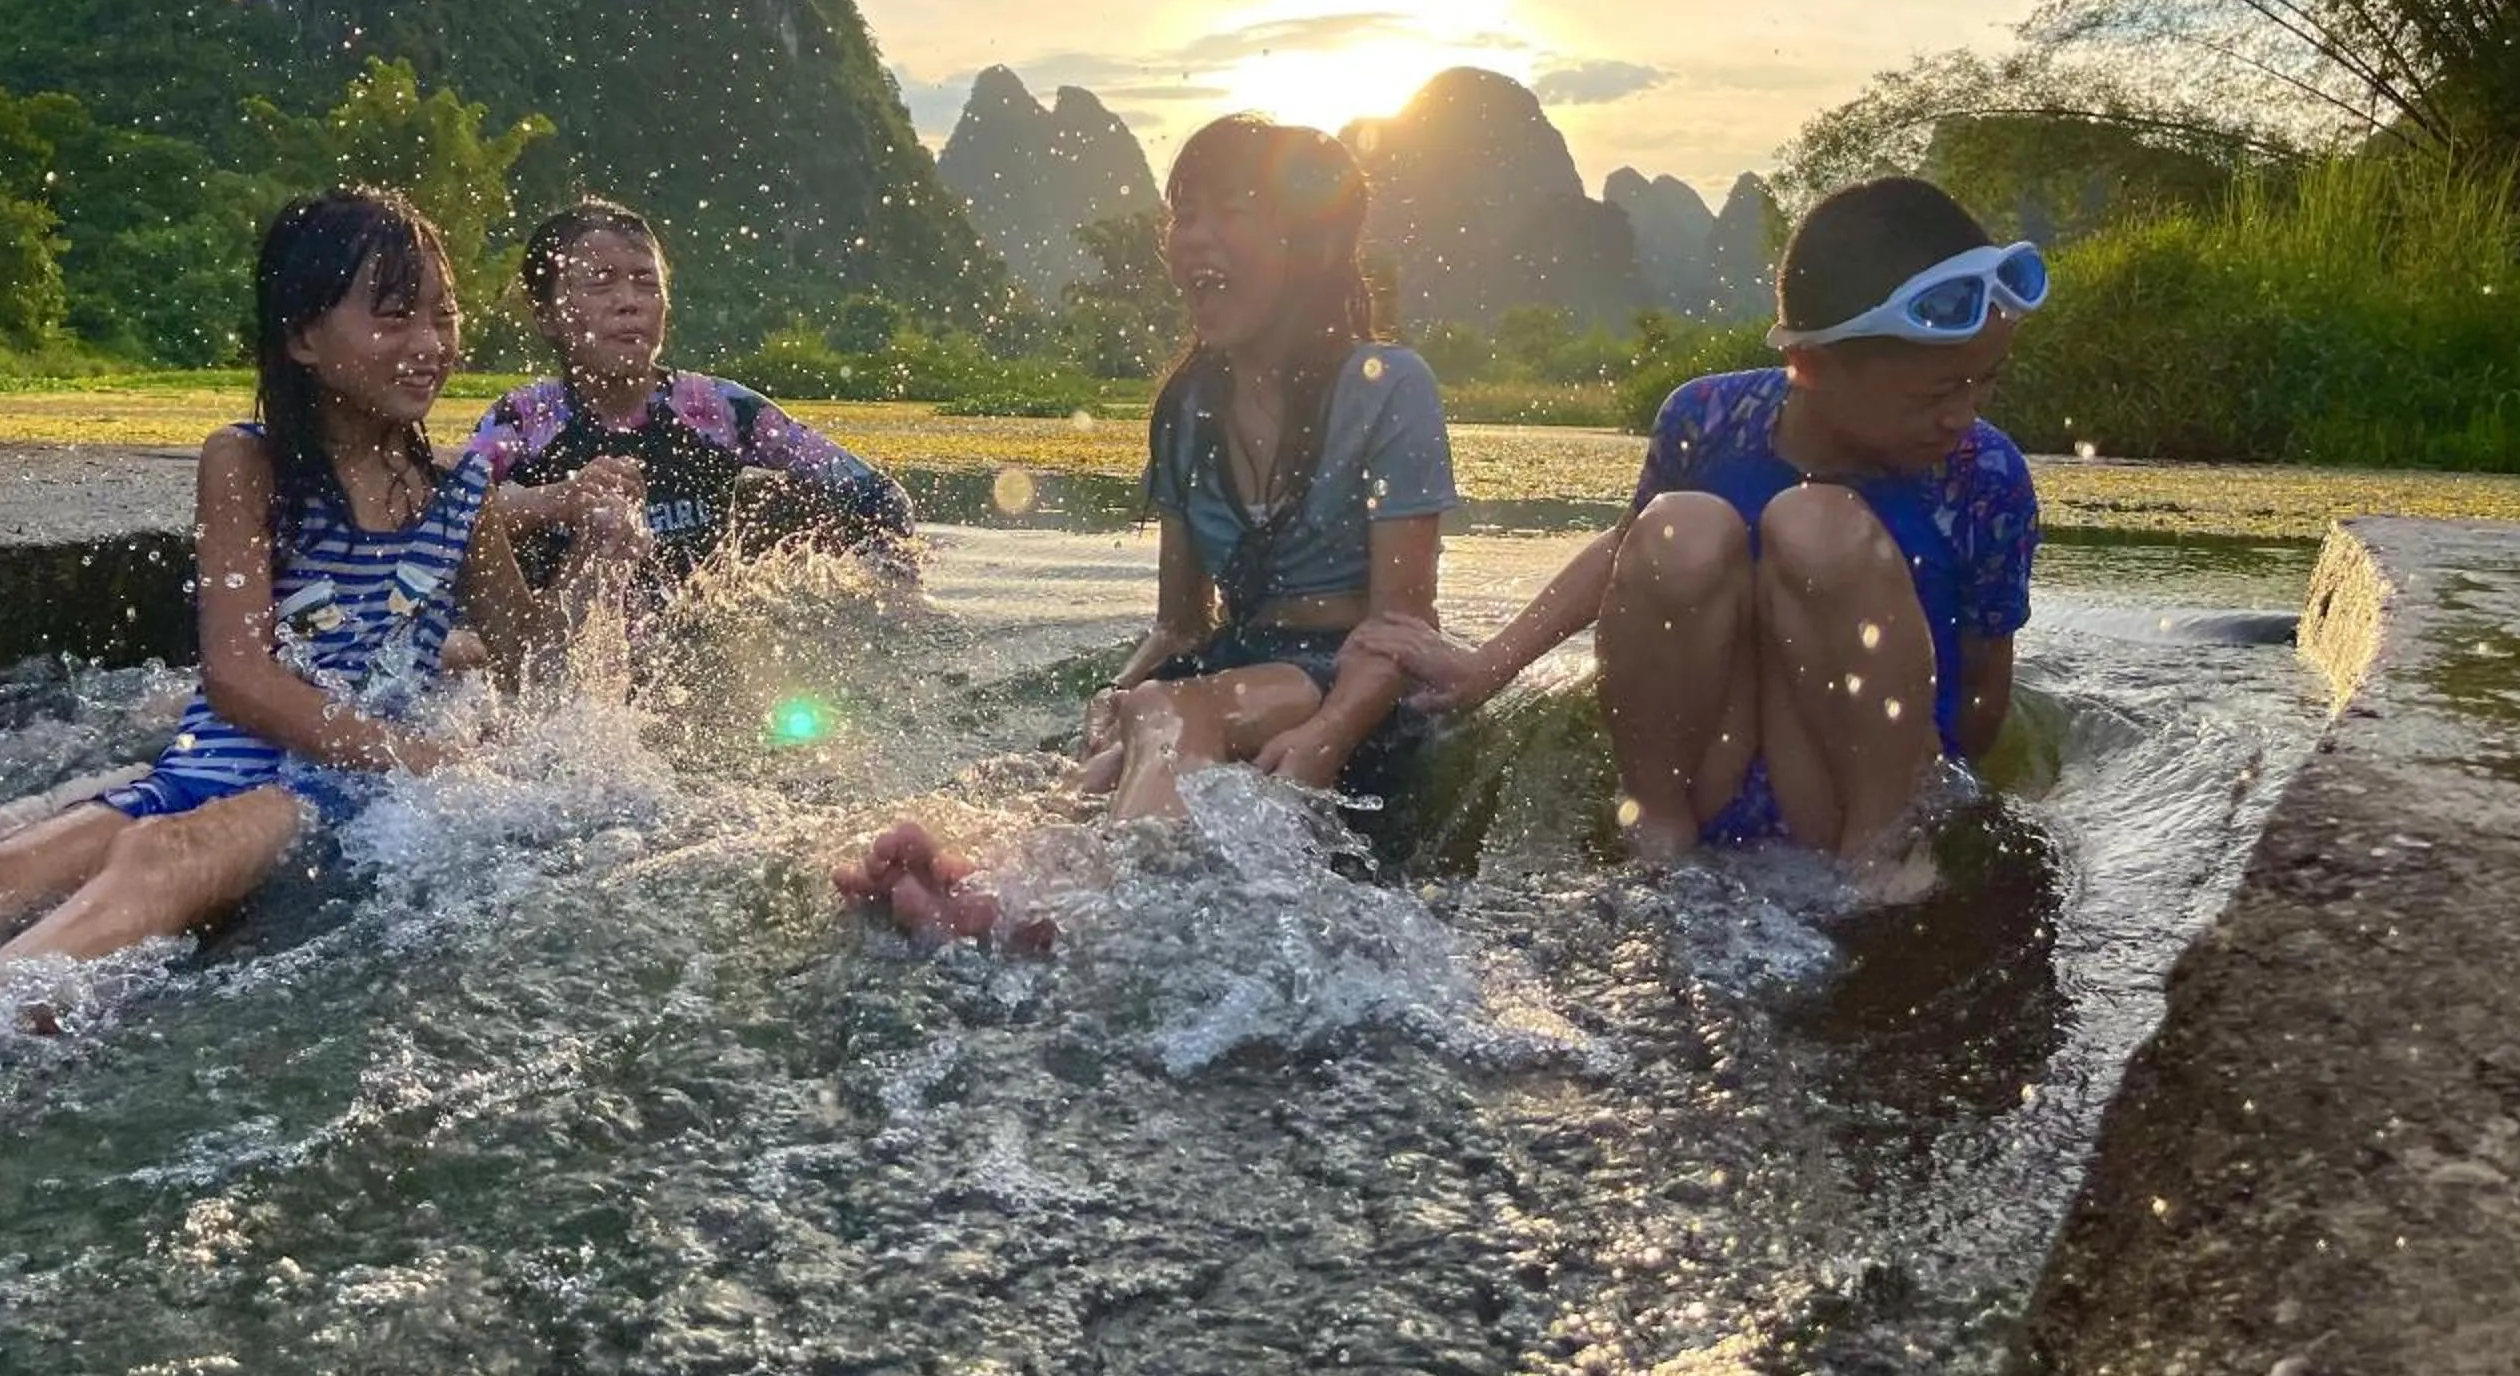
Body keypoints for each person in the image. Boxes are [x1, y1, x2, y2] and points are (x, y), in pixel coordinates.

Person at [0, 189, 640, 1123]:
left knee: (166, 852)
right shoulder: (247, 461)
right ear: (301, 338)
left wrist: (599, 556)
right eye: (392, 318)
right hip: (234, 756)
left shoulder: (460, 488)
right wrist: (420, 754)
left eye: (441, 314)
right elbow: (236, 676)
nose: (429, 345)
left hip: (351, 785)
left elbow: (533, 660)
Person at [839, 114, 1457, 937]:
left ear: (1305, 242)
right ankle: (979, 879)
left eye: (1231, 210)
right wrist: (1116, 689)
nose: (1196, 239)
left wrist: (1328, 735)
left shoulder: (1388, 386)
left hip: (1349, 678)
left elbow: (1404, 625)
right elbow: (1179, 623)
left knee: (1172, 715)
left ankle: (1088, 924)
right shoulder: (1188, 408)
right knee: (1111, 754)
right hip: (1235, 667)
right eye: (1185, 213)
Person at [1354, 175, 2044, 863]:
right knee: (1677, 527)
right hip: (1716, 772)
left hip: (1849, 788)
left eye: (1986, 381)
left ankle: (1882, 851)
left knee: (1817, 526)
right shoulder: (1708, 419)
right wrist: (1488, 666)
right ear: (1808, 363)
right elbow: (1627, 552)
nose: (1962, 416)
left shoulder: (1984, 476)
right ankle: (1656, 833)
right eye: (1933, 395)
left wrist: (1942, 790)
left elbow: (1983, 689)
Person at [469, 199, 916, 612]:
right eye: (601, 283)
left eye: (647, 282)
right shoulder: (523, 420)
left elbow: (879, 496)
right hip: (566, 661)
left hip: (695, 654)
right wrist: (555, 501)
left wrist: (892, 602)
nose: (630, 302)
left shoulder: (721, 409)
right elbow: (443, 518)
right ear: (547, 315)